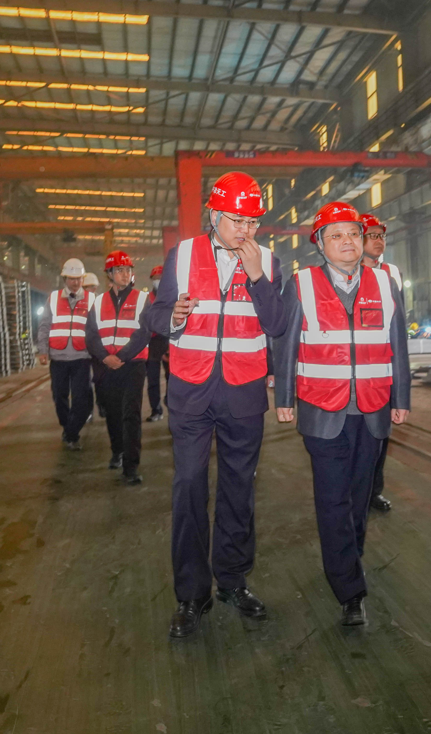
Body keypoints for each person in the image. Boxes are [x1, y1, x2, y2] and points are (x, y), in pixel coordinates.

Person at [147, 171, 287, 639]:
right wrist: (172, 316)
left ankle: (232, 580)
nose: (246, 230)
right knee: (188, 485)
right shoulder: (183, 255)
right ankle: (192, 593)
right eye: (236, 220)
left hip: (244, 393)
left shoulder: (268, 261)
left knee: (238, 489)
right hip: (191, 391)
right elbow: (154, 314)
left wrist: (257, 277)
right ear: (213, 215)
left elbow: (278, 324)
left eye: (252, 222)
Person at [275, 202, 410, 626]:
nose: (347, 241)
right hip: (322, 408)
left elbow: (398, 344)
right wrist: (284, 396)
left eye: (353, 233)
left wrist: (401, 397)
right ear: (320, 244)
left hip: (373, 407)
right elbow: (286, 343)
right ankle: (349, 590)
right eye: (336, 235)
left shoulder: (385, 283)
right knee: (333, 499)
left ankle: (350, 558)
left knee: (359, 496)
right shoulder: (301, 283)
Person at [84, 251, 152, 484]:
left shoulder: (142, 299)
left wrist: (120, 356)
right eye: (120, 270)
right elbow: (91, 335)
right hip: (107, 366)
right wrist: (105, 357)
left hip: (133, 365)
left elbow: (143, 333)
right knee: (112, 412)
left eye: (128, 270)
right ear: (110, 274)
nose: (125, 274)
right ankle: (117, 451)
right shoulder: (98, 302)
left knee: (131, 414)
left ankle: (131, 467)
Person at [359, 212, 403, 514]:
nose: (378, 241)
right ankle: (355, 491)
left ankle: (373, 491)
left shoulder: (391, 273)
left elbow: (398, 321)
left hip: (384, 366)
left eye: (381, 236)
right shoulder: (347, 272)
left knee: (380, 435)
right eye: (371, 235)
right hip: (354, 366)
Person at [35, 258, 94, 449]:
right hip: (58, 357)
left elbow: (96, 329)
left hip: (82, 357)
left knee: (80, 398)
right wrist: (43, 350)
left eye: (78, 278)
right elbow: (44, 325)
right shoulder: (53, 298)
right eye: (71, 278)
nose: (75, 282)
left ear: (83, 279)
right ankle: (68, 427)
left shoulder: (92, 300)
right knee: (59, 396)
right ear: (64, 279)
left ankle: (72, 433)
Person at [145, 264, 168, 422]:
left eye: (160, 278)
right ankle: (156, 410)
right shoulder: (146, 299)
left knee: (172, 378)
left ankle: (170, 403)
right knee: (152, 379)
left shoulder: (172, 297)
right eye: (155, 278)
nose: (158, 280)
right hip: (152, 342)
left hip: (168, 341)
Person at [82, 271, 107, 423]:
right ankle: (88, 410)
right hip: (82, 348)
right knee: (84, 382)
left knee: (100, 379)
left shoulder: (101, 302)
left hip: (97, 347)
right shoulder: (77, 303)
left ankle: (102, 404)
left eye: (90, 287)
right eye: (85, 287)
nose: (88, 290)